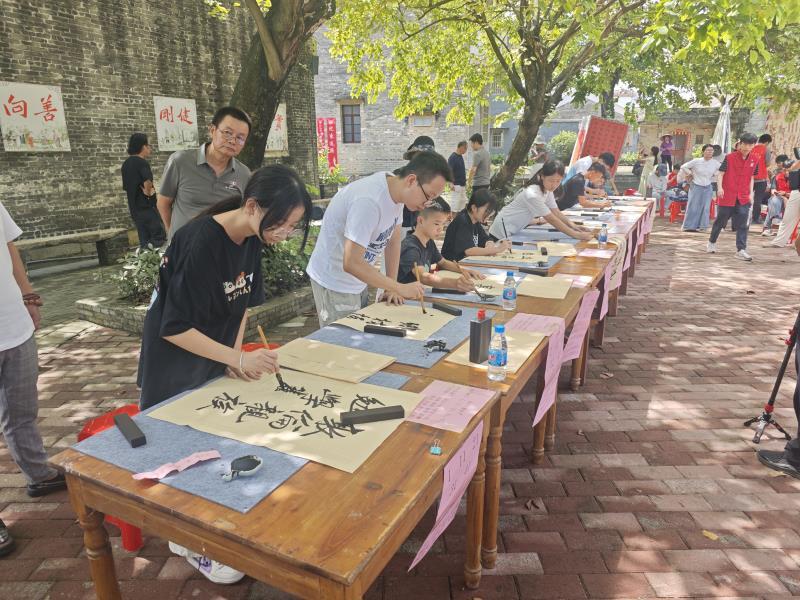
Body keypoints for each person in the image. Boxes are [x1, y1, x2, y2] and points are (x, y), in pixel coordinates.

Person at [306, 151, 451, 327]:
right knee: (342, 342)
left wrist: (391, 286)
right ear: (411, 180)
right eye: (429, 196)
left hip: (358, 280)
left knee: (360, 332)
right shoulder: (369, 201)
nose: (427, 204)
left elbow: (393, 241)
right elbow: (351, 262)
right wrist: (400, 287)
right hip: (335, 281)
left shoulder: (396, 194)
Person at [0, 201, 68, 558]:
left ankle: (38, 475)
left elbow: (9, 249)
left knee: (22, 411)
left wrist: (28, 296)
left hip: (14, 327)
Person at [157, 106, 252, 238]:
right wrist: (174, 237)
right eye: (227, 133)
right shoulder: (180, 162)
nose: (232, 141)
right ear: (212, 130)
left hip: (221, 249)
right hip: (184, 249)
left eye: (240, 138)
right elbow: (163, 204)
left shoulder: (244, 174)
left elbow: (243, 214)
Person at [488, 160, 594, 241]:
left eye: (558, 181)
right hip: (501, 230)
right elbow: (552, 219)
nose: (554, 185)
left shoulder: (547, 190)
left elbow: (556, 212)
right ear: (542, 176)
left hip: (513, 229)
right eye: (551, 180)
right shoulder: (532, 194)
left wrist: (574, 227)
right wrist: (575, 235)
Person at [397, 200, 484, 289]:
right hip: (406, 298)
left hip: (421, 293)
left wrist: (465, 271)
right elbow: (423, 277)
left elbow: (443, 262)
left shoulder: (429, 242)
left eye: (443, 224)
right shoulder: (411, 247)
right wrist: (455, 283)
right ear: (421, 220)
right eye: (437, 224)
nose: (440, 229)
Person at [707, 132, 760, 261]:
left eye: (750, 144)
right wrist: (720, 188)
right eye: (745, 144)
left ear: (754, 145)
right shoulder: (729, 157)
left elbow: (752, 177)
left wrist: (750, 194)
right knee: (721, 221)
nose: (747, 147)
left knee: (743, 223)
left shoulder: (755, 159)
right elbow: (720, 174)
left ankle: (741, 249)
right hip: (727, 194)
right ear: (740, 144)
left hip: (743, 196)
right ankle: (712, 241)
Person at [121, 133, 166, 248]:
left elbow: (127, 187)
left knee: (144, 239)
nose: (149, 148)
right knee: (158, 237)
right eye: (148, 145)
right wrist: (148, 193)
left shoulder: (125, 164)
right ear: (143, 147)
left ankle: (146, 263)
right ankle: (158, 263)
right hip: (146, 207)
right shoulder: (141, 162)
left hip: (134, 208)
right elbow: (147, 181)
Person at [442, 189, 511, 261]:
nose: (489, 215)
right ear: (474, 208)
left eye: (491, 211)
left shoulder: (475, 221)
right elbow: (469, 251)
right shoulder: (463, 221)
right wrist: (498, 249)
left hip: (464, 264)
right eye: (487, 211)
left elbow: (486, 238)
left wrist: (489, 244)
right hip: (451, 266)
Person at [679, 144, 721, 232]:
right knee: (693, 206)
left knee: (705, 207)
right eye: (708, 150)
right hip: (696, 185)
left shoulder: (715, 163)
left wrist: (716, 174)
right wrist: (690, 173)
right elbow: (683, 166)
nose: (710, 152)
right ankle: (688, 226)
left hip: (708, 186)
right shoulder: (696, 161)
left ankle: (703, 226)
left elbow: (722, 171)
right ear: (703, 151)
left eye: (711, 150)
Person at [762, 155, 791, 236]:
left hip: (793, 198)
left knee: (773, 204)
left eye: (788, 169)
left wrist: (786, 195)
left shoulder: (796, 177)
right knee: (774, 200)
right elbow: (773, 190)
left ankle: (768, 228)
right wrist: (781, 196)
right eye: (784, 169)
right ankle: (776, 221)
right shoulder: (777, 176)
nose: (786, 171)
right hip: (779, 197)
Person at [750, 133, 773, 225]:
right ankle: (755, 218)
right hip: (761, 178)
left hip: (749, 178)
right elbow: (767, 163)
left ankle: (741, 216)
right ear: (767, 142)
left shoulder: (751, 147)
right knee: (758, 199)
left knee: (744, 197)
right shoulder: (766, 149)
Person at [447, 141, 468, 214]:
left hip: (462, 185)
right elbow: (449, 171)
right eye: (465, 148)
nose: (466, 150)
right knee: (455, 207)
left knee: (462, 206)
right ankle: (453, 223)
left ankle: (460, 222)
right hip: (456, 186)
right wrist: (450, 183)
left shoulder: (460, 156)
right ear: (461, 147)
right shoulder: (452, 157)